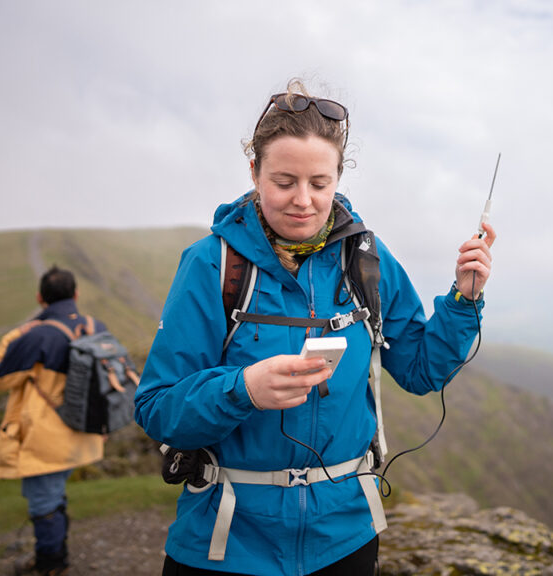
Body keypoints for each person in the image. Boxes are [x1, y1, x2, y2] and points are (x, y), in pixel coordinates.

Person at [134, 78, 497, 576]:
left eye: (320, 184)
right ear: (255, 171)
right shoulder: (210, 266)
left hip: (344, 539)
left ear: (338, 178)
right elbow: (157, 409)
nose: (302, 199)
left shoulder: (366, 258)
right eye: (284, 182)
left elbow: (420, 370)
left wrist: (464, 298)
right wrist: (243, 390)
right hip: (227, 545)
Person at [0, 266, 107, 576]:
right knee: (53, 496)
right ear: (76, 295)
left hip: (47, 436)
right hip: (86, 430)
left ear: (40, 298)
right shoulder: (96, 327)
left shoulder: (36, 334)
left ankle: (51, 565)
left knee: (44, 503)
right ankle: (55, 556)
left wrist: (20, 333)